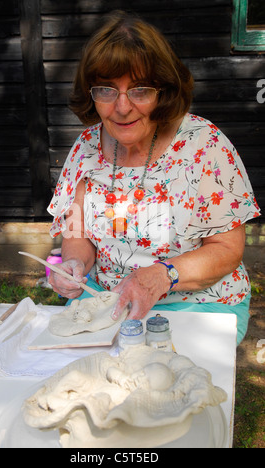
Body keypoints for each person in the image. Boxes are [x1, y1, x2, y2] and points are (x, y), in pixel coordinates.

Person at [48, 11, 260, 345]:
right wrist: (73, 263)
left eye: (139, 90)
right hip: (107, 300)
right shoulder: (85, 148)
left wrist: (161, 276)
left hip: (198, 304)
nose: (122, 107)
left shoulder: (204, 144)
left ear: (163, 91)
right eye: (106, 90)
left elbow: (226, 250)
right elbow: (76, 233)